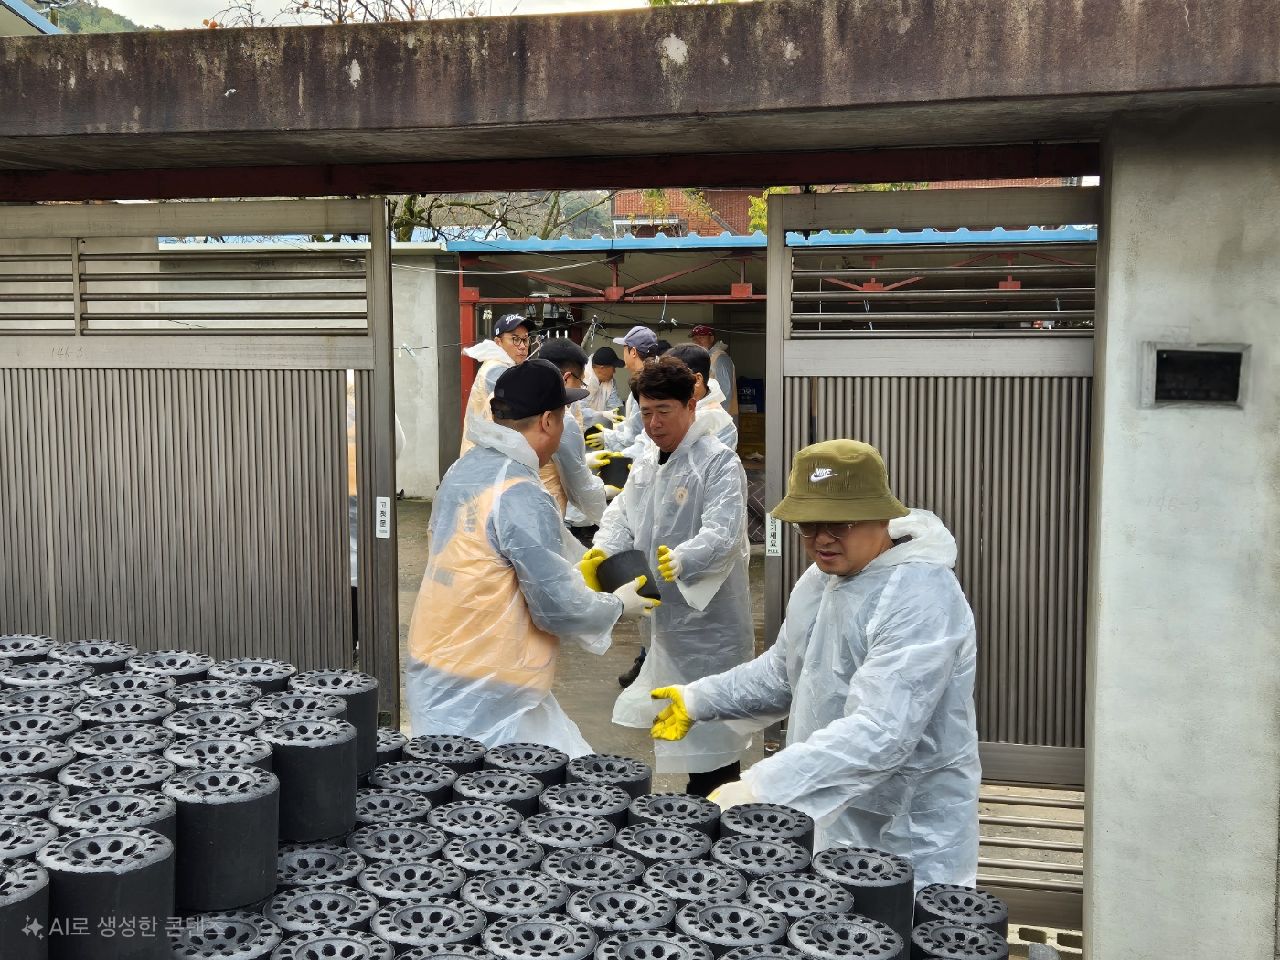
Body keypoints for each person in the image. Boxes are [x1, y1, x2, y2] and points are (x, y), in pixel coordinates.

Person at [650, 439, 980, 887]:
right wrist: (699, 699)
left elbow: (882, 732)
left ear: (880, 515)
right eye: (808, 525)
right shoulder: (822, 580)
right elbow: (784, 670)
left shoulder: (920, 596)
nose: (822, 539)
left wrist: (764, 787)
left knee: (908, 919)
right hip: (832, 807)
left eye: (839, 523)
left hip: (909, 826)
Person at [405, 359, 660, 755]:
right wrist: (616, 606)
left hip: (439, 659)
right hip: (486, 684)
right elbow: (556, 608)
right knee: (513, 784)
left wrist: (578, 566)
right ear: (547, 421)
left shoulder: (465, 469)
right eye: (563, 417)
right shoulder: (521, 491)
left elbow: (493, 556)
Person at [588, 356, 752, 797]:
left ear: (691, 406)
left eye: (664, 411)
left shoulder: (717, 462)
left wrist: (683, 560)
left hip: (709, 624)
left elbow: (724, 532)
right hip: (664, 619)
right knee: (672, 717)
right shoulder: (648, 458)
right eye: (646, 412)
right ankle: (693, 805)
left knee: (713, 729)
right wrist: (603, 550)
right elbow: (623, 514)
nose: (654, 423)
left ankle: (715, 806)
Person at [531, 338, 613, 540]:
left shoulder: (521, 400)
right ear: (567, 378)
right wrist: (606, 499)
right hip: (544, 518)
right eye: (581, 382)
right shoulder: (560, 419)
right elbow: (581, 489)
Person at [459, 313, 533, 456]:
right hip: (484, 455)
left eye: (525, 339)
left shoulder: (506, 366)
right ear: (498, 342)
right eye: (515, 339)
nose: (523, 346)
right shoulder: (496, 370)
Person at [585, 325, 661, 454]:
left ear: (633, 352)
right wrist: (623, 425)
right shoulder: (657, 375)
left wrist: (608, 438)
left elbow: (635, 436)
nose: (623, 354)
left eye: (625, 349)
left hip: (645, 455)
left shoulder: (646, 383)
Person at [690, 325, 739, 426]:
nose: (697, 341)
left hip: (721, 418)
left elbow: (725, 392)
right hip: (709, 416)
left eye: (701, 337)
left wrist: (717, 417)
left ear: (711, 338)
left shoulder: (720, 358)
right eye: (695, 339)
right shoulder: (705, 358)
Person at [582, 346, 624, 426]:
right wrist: (602, 414)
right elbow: (579, 411)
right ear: (602, 368)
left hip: (601, 428)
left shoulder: (610, 382)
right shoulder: (582, 378)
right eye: (613, 368)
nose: (614, 371)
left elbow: (615, 406)